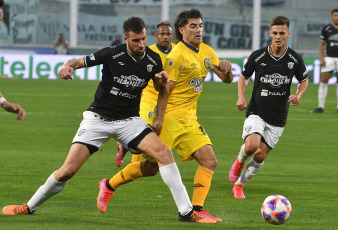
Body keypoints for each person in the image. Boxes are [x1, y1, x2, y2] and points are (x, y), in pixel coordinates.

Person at [2, 16, 214, 224]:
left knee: (164, 153)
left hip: (129, 120)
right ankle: (29, 207)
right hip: (98, 119)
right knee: (68, 170)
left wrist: (160, 96)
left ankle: (187, 212)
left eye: (143, 39)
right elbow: (76, 62)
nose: (141, 45)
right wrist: (66, 66)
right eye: (136, 40)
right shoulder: (111, 54)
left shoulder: (153, 59)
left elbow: (162, 90)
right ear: (126, 39)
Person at [97, 9, 233, 222]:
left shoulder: (207, 51)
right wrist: (159, 120)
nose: (199, 30)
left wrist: (227, 71)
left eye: (200, 25)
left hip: (189, 120)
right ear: (182, 30)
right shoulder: (177, 56)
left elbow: (226, 79)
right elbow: (165, 90)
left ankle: (197, 210)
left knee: (209, 161)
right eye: (193, 26)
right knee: (150, 168)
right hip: (170, 119)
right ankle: (108, 185)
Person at [228, 16, 308, 199]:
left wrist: (298, 95)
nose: (278, 36)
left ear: (288, 33)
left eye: (282, 33)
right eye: (275, 33)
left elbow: (304, 80)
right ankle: (239, 161)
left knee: (260, 155)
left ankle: (239, 185)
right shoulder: (258, 56)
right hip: (257, 110)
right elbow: (243, 76)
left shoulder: (295, 59)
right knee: (251, 146)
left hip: (278, 116)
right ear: (270, 33)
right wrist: (241, 95)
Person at [115, 20, 176, 167]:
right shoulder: (149, 53)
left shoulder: (177, 51)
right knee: (143, 130)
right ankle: (134, 165)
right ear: (156, 35)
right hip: (149, 96)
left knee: (159, 131)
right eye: (162, 34)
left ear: (172, 35)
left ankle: (124, 148)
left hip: (166, 98)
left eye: (168, 34)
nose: (165, 37)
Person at [313, 8, 338, 114]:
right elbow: (321, 44)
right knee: (324, 79)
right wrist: (322, 58)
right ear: (332, 17)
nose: (337, 17)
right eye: (335, 15)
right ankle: (320, 106)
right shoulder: (326, 28)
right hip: (329, 57)